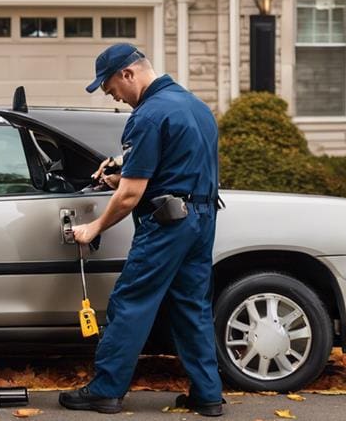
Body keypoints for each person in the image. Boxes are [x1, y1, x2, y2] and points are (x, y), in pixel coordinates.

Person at [58, 43, 224, 416]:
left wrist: (93, 226)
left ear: (128, 74)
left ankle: (105, 391)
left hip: (167, 225)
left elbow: (131, 195)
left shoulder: (148, 116)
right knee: (192, 307)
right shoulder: (195, 107)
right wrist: (122, 170)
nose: (114, 97)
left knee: (130, 303)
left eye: (111, 88)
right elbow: (173, 165)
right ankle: (208, 396)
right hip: (201, 219)